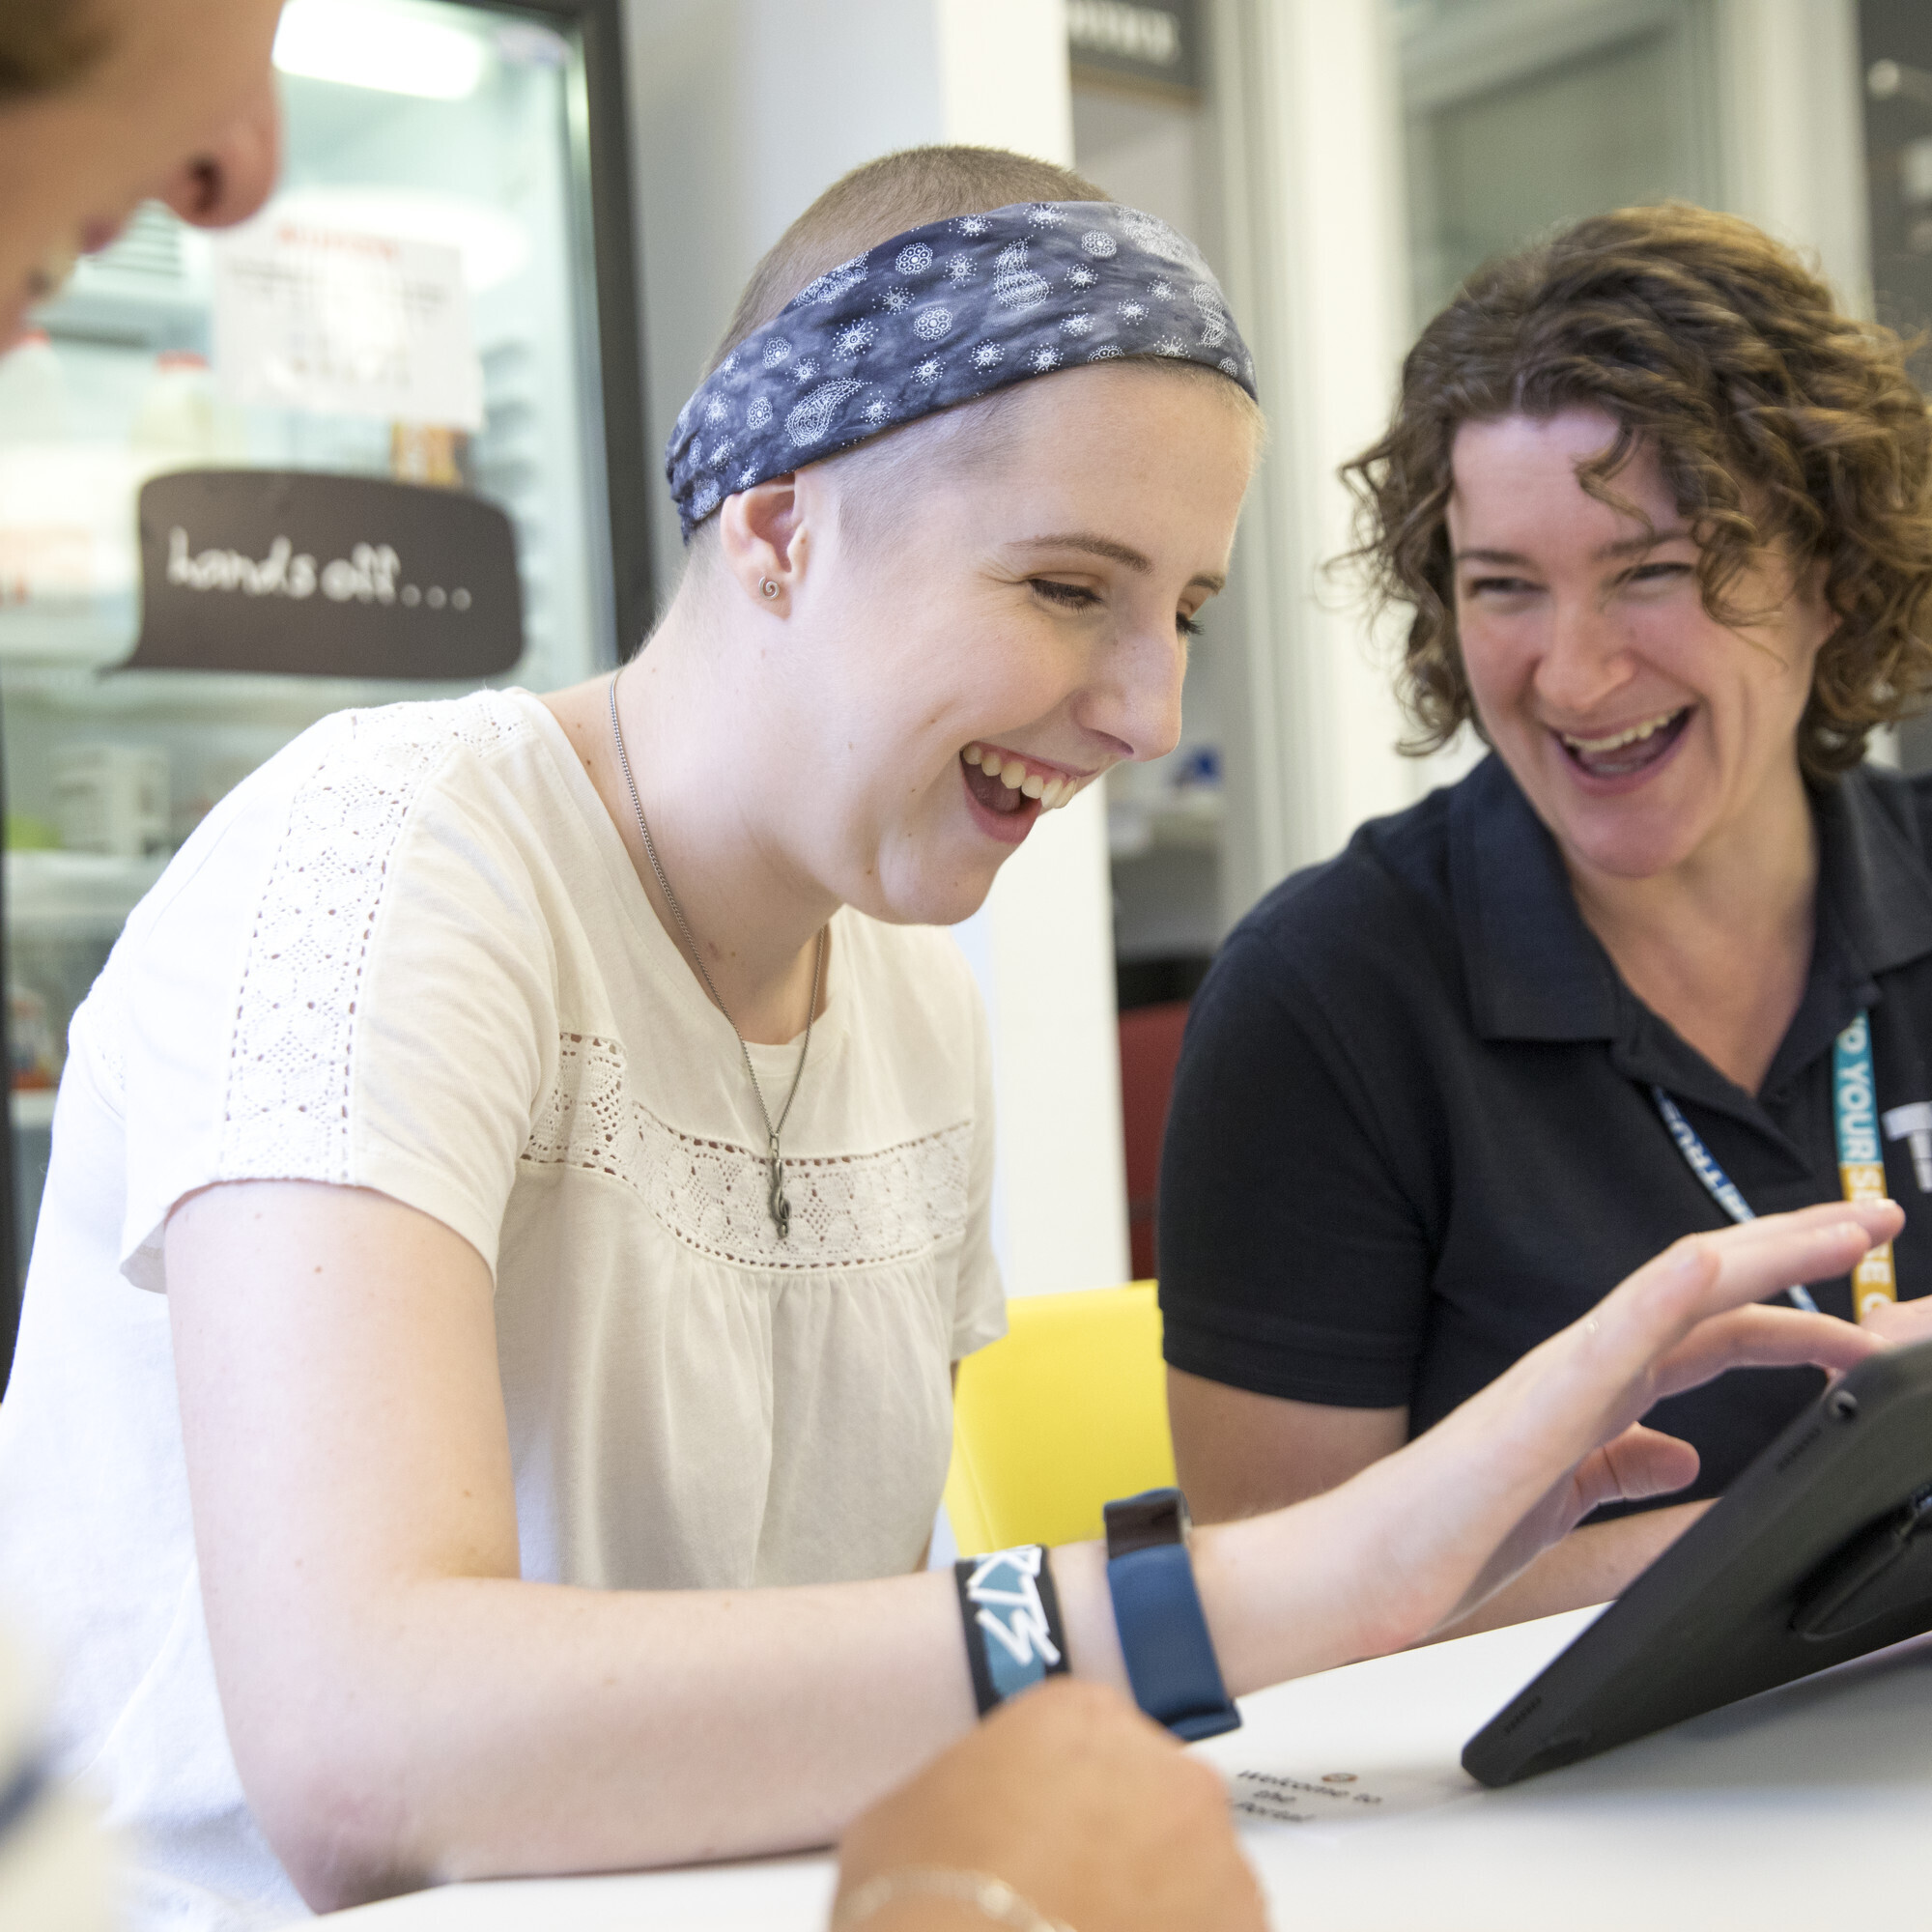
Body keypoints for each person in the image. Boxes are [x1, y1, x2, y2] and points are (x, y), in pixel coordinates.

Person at [0, 33, 1909, 1925]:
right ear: (776, 525)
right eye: (1067, 587)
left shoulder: (909, 1005)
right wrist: (1290, 1579)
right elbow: (369, 1767)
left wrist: (1485, 1552)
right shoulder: (387, 864)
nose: (1146, 708)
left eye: (1181, 610)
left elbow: (807, 1696)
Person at [1158, 203, 1932, 1624]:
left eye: (1652, 572)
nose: (1572, 678)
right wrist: (1857, 1544)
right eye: (1504, 587)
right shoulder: (1325, 999)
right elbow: (1273, 1626)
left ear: (1831, 573)